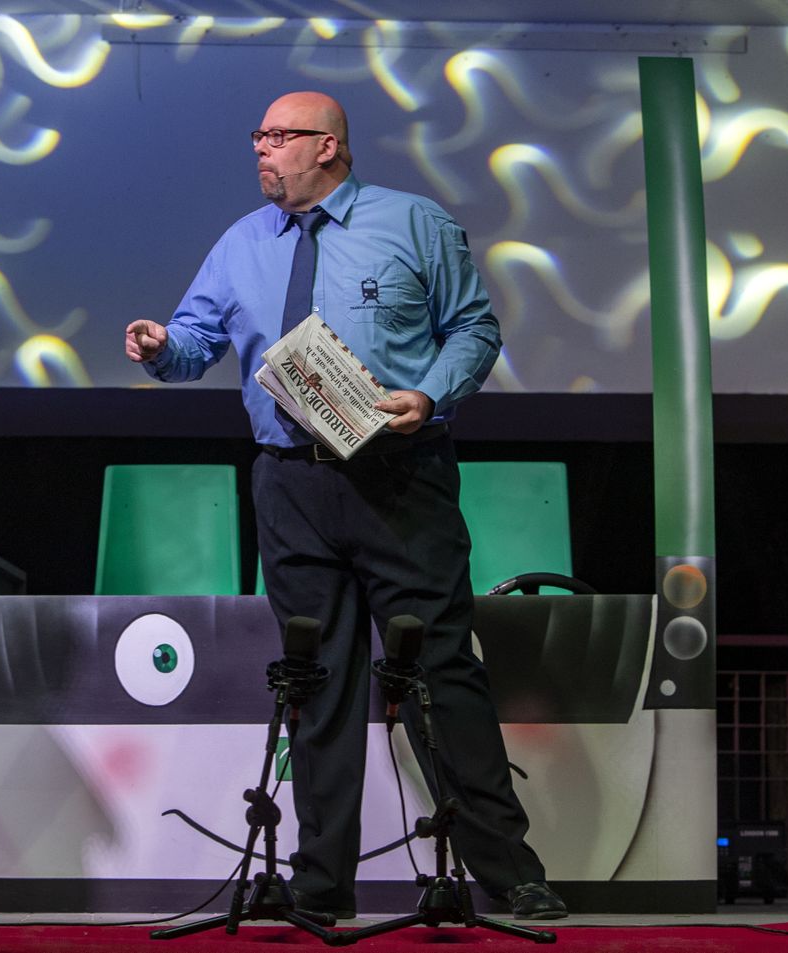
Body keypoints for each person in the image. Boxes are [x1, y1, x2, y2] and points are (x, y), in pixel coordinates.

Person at [125, 91, 567, 921]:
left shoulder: (413, 222)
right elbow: (194, 343)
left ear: (327, 146)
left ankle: (510, 875)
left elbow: (474, 329)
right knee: (315, 684)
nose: (261, 150)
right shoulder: (240, 242)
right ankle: (320, 885)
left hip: (400, 476)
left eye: (278, 136)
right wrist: (160, 347)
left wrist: (430, 398)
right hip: (290, 484)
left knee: (442, 672)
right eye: (255, 135)